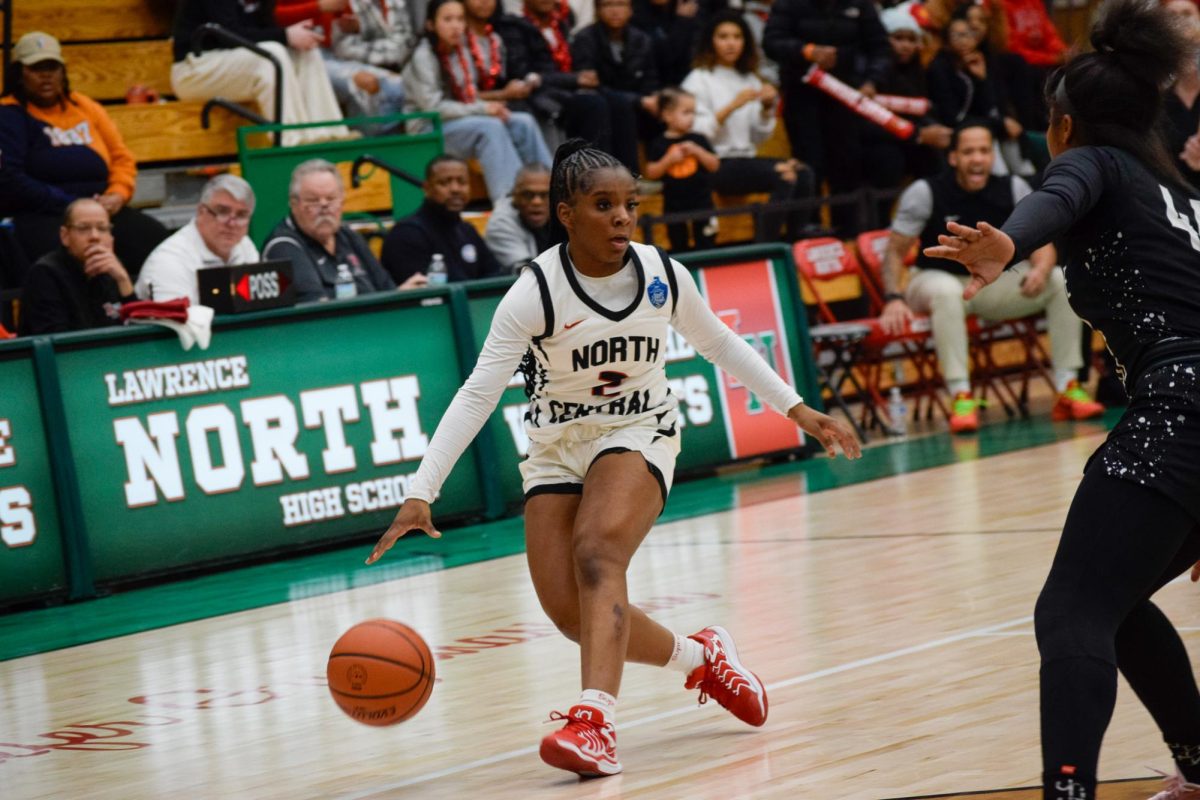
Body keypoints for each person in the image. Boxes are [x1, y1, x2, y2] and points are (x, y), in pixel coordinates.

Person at [365, 139, 861, 779]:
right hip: (555, 449)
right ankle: (700, 658)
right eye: (604, 205)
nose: (623, 217)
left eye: (630, 203)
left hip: (640, 428)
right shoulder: (535, 292)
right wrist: (421, 490)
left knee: (598, 554)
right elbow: (477, 393)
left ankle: (593, 722)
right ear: (567, 214)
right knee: (572, 615)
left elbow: (722, 345)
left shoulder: (661, 275)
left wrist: (798, 409)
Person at [923, 3, 1200, 797]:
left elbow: (1059, 193)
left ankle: (1067, 790)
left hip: (1180, 408)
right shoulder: (1184, 199)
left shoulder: (1096, 165)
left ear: (1064, 125)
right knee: (1114, 601)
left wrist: (1008, 242)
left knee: (1071, 611)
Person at [880, 120, 1104, 434]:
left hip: (988, 284)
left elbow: (1043, 244)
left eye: (984, 151)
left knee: (1057, 280)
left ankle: (1067, 388)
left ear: (992, 156)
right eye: (969, 151)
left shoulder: (1012, 187)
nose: (977, 158)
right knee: (944, 291)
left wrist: (1039, 269)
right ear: (954, 157)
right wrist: (892, 298)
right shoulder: (925, 192)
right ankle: (961, 394)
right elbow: (893, 251)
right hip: (933, 279)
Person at [0, 32, 169, 279]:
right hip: (46, 214)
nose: (46, 75)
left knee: (156, 240)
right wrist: (71, 205)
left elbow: (121, 158)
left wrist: (117, 195)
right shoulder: (8, 114)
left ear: (63, 72)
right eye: (36, 68)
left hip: (102, 210)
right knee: (64, 261)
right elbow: (9, 177)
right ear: (19, 74)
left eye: (52, 67)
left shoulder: (85, 107)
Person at [403, 0, 552, 204]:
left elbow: (469, 95)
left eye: (460, 19)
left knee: (521, 122)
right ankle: (510, 203)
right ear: (430, 24)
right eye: (447, 19)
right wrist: (483, 109)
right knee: (490, 128)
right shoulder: (423, 56)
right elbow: (433, 107)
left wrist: (492, 107)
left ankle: (553, 190)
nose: (456, 26)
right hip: (427, 128)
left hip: (461, 120)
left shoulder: (462, 51)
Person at [683, 10, 814, 242]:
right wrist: (732, 106)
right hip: (714, 163)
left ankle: (794, 243)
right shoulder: (698, 78)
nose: (731, 43)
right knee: (784, 176)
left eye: (737, 37)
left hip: (746, 159)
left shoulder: (750, 79)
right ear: (710, 42)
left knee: (803, 173)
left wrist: (766, 109)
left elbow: (759, 137)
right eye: (723, 37)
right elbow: (696, 133)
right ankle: (766, 246)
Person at [763, 0, 890, 236]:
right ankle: (808, 230)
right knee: (810, 163)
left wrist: (873, 80)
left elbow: (880, 46)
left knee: (847, 163)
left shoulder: (860, 5)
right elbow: (771, 42)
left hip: (846, 95)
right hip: (802, 94)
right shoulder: (788, 4)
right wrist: (806, 51)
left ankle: (848, 231)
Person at [170, 0, 349, 146]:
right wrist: (285, 35)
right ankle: (292, 142)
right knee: (270, 55)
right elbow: (227, 35)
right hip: (194, 68)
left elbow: (265, 30)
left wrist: (292, 36)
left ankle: (330, 134)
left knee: (305, 50)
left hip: (232, 62)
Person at [262, 159, 403, 301]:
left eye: (331, 198)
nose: (324, 207)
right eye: (313, 200)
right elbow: (317, 308)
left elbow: (387, 288)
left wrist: (402, 294)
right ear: (294, 204)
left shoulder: (348, 235)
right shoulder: (283, 246)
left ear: (342, 201)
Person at [277, 0, 411, 127]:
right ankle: (363, 147)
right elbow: (266, 20)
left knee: (397, 87)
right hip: (293, 55)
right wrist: (318, 7)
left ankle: (383, 146)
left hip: (336, 55)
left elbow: (344, 34)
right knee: (363, 84)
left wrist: (358, 26)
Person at [135, 175, 260, 305]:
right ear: (201, 212)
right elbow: (176, 322)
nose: (232, 223)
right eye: (222, 212)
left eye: (241, 215)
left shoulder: (244, 245)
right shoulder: (168, 260)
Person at [18, 199, 136, 335]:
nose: (94, 236)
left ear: (111, 237)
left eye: (102, 228)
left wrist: (123, 280)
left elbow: (141, 332)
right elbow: (57, 340)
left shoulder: (114, 269)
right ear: (65, 236)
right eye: (83, 228)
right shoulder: (45, 273)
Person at [571, 0, 662, 173]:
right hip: (600, 100)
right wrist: (638, 100)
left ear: (630, 9)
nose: (615, 11)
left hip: (636, 100)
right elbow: (589, 82)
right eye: (607, 5)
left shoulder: (641, 39)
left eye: (621, 4)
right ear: (597, 9)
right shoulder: (585, 38)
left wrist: (653, 98)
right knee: (618, 105)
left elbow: (651, 78)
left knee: (669, 107)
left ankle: (661, 176)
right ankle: (625, 175)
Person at [381, 155, 504, 283]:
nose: (455, 189)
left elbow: (495, 276)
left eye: (462, 182)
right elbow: (424, 293)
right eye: (444, 183)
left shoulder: (468, 230)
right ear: (427, 188)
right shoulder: (406, 234)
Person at [644, 87, 720, 251]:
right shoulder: (659, 143)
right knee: (679, 244)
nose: (691, 117)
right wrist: (668, 160)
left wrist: (698, 152)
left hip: (702, 203)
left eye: (693, 112)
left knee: (707, 242)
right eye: (686, 112)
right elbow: (651, 172)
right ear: (667, 115)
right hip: (674, 205)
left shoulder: (698, 139)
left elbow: (714, 165)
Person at [484, 162, 554, 269]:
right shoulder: (500, 224)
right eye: (528, 195)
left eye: (545, 195)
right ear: (514, 195)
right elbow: (527, 273)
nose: (537, 202)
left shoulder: (563, 214)